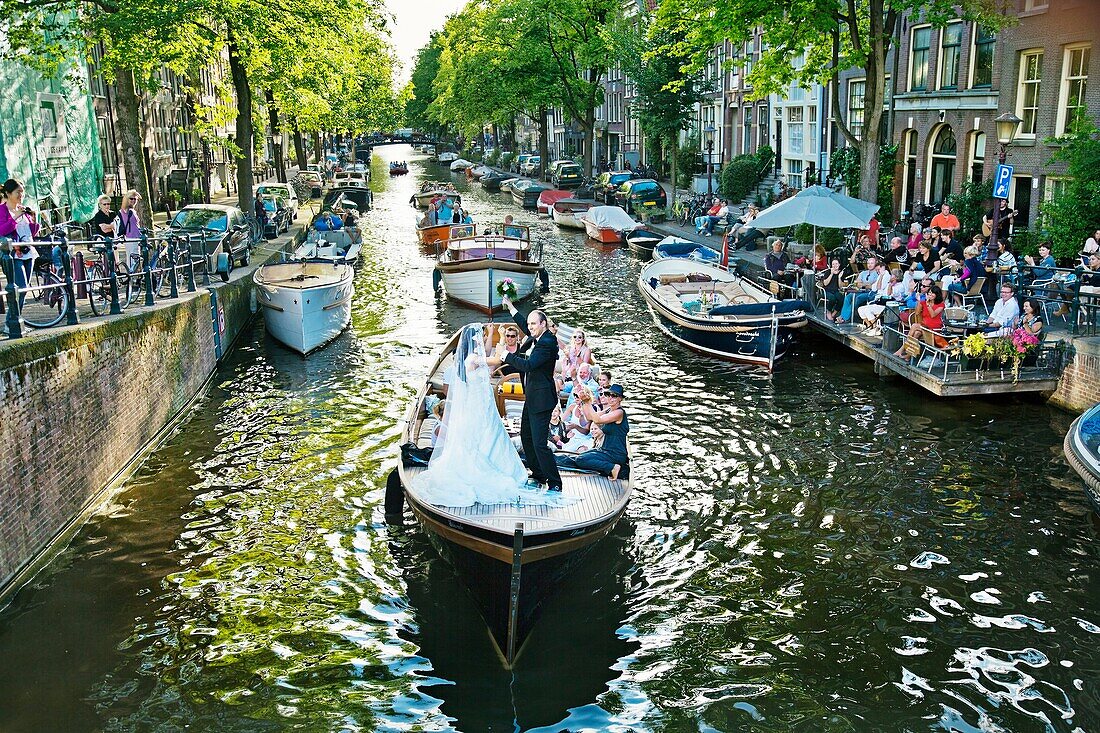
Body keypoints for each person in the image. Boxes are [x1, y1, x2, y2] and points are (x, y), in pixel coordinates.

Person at [411, 326, 530, 506]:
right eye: (480, 337)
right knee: (486, 433)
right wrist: (501, 340)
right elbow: (497, 358)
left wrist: (492, 336)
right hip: (479, 402)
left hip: (484, 401)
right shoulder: (473, 358)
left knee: (492, 434)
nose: (482, 341)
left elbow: (489, 359)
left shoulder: (472, 358)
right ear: (474, 340)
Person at [486, 296, 563, 492]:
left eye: (534, 324)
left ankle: (554, 482)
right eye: (529, 324)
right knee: (527, 438)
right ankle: (537, 474)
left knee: (539, 444)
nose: (530, 327)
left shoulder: (547, 342)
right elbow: (523, 324)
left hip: (542, 400)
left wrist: (504, 355)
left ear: (543, 324)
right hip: (532, 398)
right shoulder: (535, 336)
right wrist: (511, 307)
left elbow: (528, 365)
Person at [555, 383, 629, 480]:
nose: (610, 398)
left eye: (614, 396)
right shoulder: (609, 410)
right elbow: (590, 417)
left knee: (581, 459)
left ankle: (612, 467)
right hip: (604, 450)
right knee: (577, 458)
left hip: (615, 454)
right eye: (608, 395)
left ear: (620, 398)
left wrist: (586, 401)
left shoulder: (619, 413)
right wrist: (583, 399)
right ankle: (550, 459)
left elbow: (598, 420)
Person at [0, 178, 40, 297]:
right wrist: (15, 217)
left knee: (24, 289)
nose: (21, 195)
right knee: (20, 287)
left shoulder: (22, 209)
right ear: (8, 193)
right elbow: (2, 230)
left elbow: (31, 233)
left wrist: (34, 218)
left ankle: (16, 315)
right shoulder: (2, 210)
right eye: (18, 192)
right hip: (13, 254)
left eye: (22, 191)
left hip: (28, 251)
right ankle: (13, 316)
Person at [838, 256, 880, 323]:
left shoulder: (877, 274)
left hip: (870, 293)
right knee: (848, 297)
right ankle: (843, 316)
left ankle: (844, 318)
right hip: (860, 291)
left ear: (875, 264)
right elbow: (857, 283)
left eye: (872, 263)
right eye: (868, 263)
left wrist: (863, 284)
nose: (869, 265)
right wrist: (866, 284)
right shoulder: (863, 273)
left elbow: (872, 286)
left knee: (858, 298)